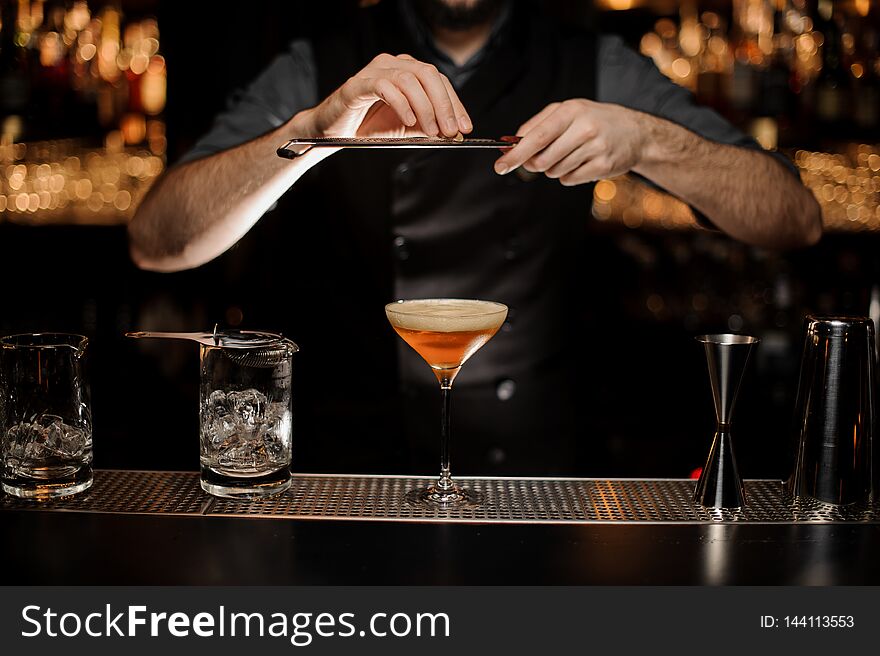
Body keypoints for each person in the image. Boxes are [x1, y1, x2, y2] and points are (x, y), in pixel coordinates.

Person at [128, 0, 822, 476]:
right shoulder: (318, 66)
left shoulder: (598, 64)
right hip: (344, 471)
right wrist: (312, 134)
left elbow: (795, 219)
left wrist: (649, 139)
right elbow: (157, 242)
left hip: (534, 474)